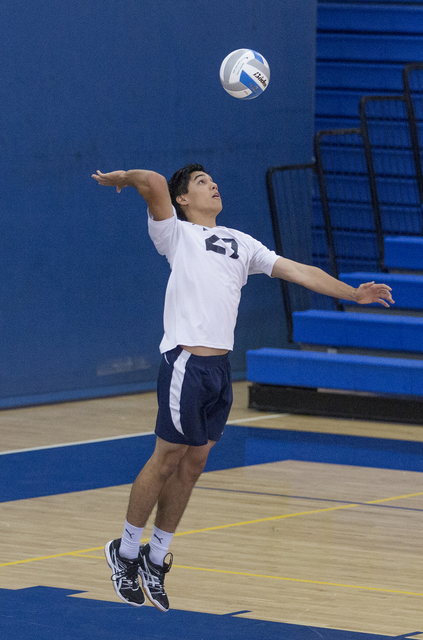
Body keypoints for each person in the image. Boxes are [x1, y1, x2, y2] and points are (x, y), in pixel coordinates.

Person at [92, 163, 394, 610]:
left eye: (213, 179)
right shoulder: (175, 234)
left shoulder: (241, 243)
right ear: (183, 201)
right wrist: (125, 179)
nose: (212, 184)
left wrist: (352, 294)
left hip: (219, 371)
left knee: (193, 464)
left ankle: (155, 559)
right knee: (167, 457)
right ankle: (126, 551)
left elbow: (297, 271)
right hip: (185, 363)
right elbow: (153, 182)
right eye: (200, 182)